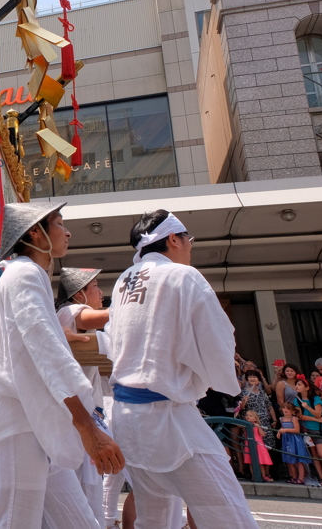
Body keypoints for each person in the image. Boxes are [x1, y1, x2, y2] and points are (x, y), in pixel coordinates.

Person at [105, 210, 256, 528]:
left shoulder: (123, 280)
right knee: (228, 513)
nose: (190, 247)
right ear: (173, 239)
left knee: (154, 516)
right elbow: (218, 339)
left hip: (125, 416)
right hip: (167, 415)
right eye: (188, 239)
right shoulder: (183, 276)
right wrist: (225, 381)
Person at [0, 204, 122, 529]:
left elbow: (41, 342)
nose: (67, 231)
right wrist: (88, 428)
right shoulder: (25, 274)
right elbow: (46, 351)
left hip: (40, 425)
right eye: (59, 223)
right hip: (18, 425)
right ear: (34, 232)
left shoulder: (27, 276)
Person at [53, 267, 113, 524]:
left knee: (84, 492)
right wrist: (137, 305)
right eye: (95, 287)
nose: (101, 292)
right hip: (77, 418)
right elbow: (101, 318)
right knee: (85, 495)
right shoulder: (69, 312)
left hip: (81, 415)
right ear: (79, 296)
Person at [295, 377, 322, 485]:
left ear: (307, 387)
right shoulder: (296, 400)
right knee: (314, 454)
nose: (297, 387)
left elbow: (318, 413)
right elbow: (299, 416)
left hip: (317, 429)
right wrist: (316, 419)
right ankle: (321, 476)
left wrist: (307, 407)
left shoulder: (315, 398)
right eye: (296, 385)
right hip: (306, 430)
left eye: (299, 384)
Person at [237, 371, 278, 450]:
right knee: (254, 446)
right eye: (250, 377)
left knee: (267, 445)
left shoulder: (262, 392)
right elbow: (240, 409)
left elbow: (269, 407)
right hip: (251, 423)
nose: (252, 379)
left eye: (254, 377)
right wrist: (244, 402)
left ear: (259, 380)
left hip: (264, 421)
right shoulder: (243, 393)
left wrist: (274, 420)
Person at [277, 401, 309, 484]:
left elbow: (297, 430)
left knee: (299, 459)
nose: (285, 410)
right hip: (286, 440)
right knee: (289, 459)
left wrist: (285, 430)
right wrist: (279, 432)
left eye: (288, 408)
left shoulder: (294, 418)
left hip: (295, 439)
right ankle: (294, 477)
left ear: (293, 411)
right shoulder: (281, 419)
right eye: (284, 408)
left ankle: (301, 478)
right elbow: (282, 427)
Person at [241, 410, 273, 482]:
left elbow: (263, 434)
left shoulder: (257, 426)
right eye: (247, 415)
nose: (248, 417)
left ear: (255, 419)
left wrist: (259, 427)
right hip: (249, 444)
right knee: (251, 462)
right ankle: (254, 476)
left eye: (250, 416)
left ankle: (264, 476)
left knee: (260, 462)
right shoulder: (246, 426)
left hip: (258, 445)